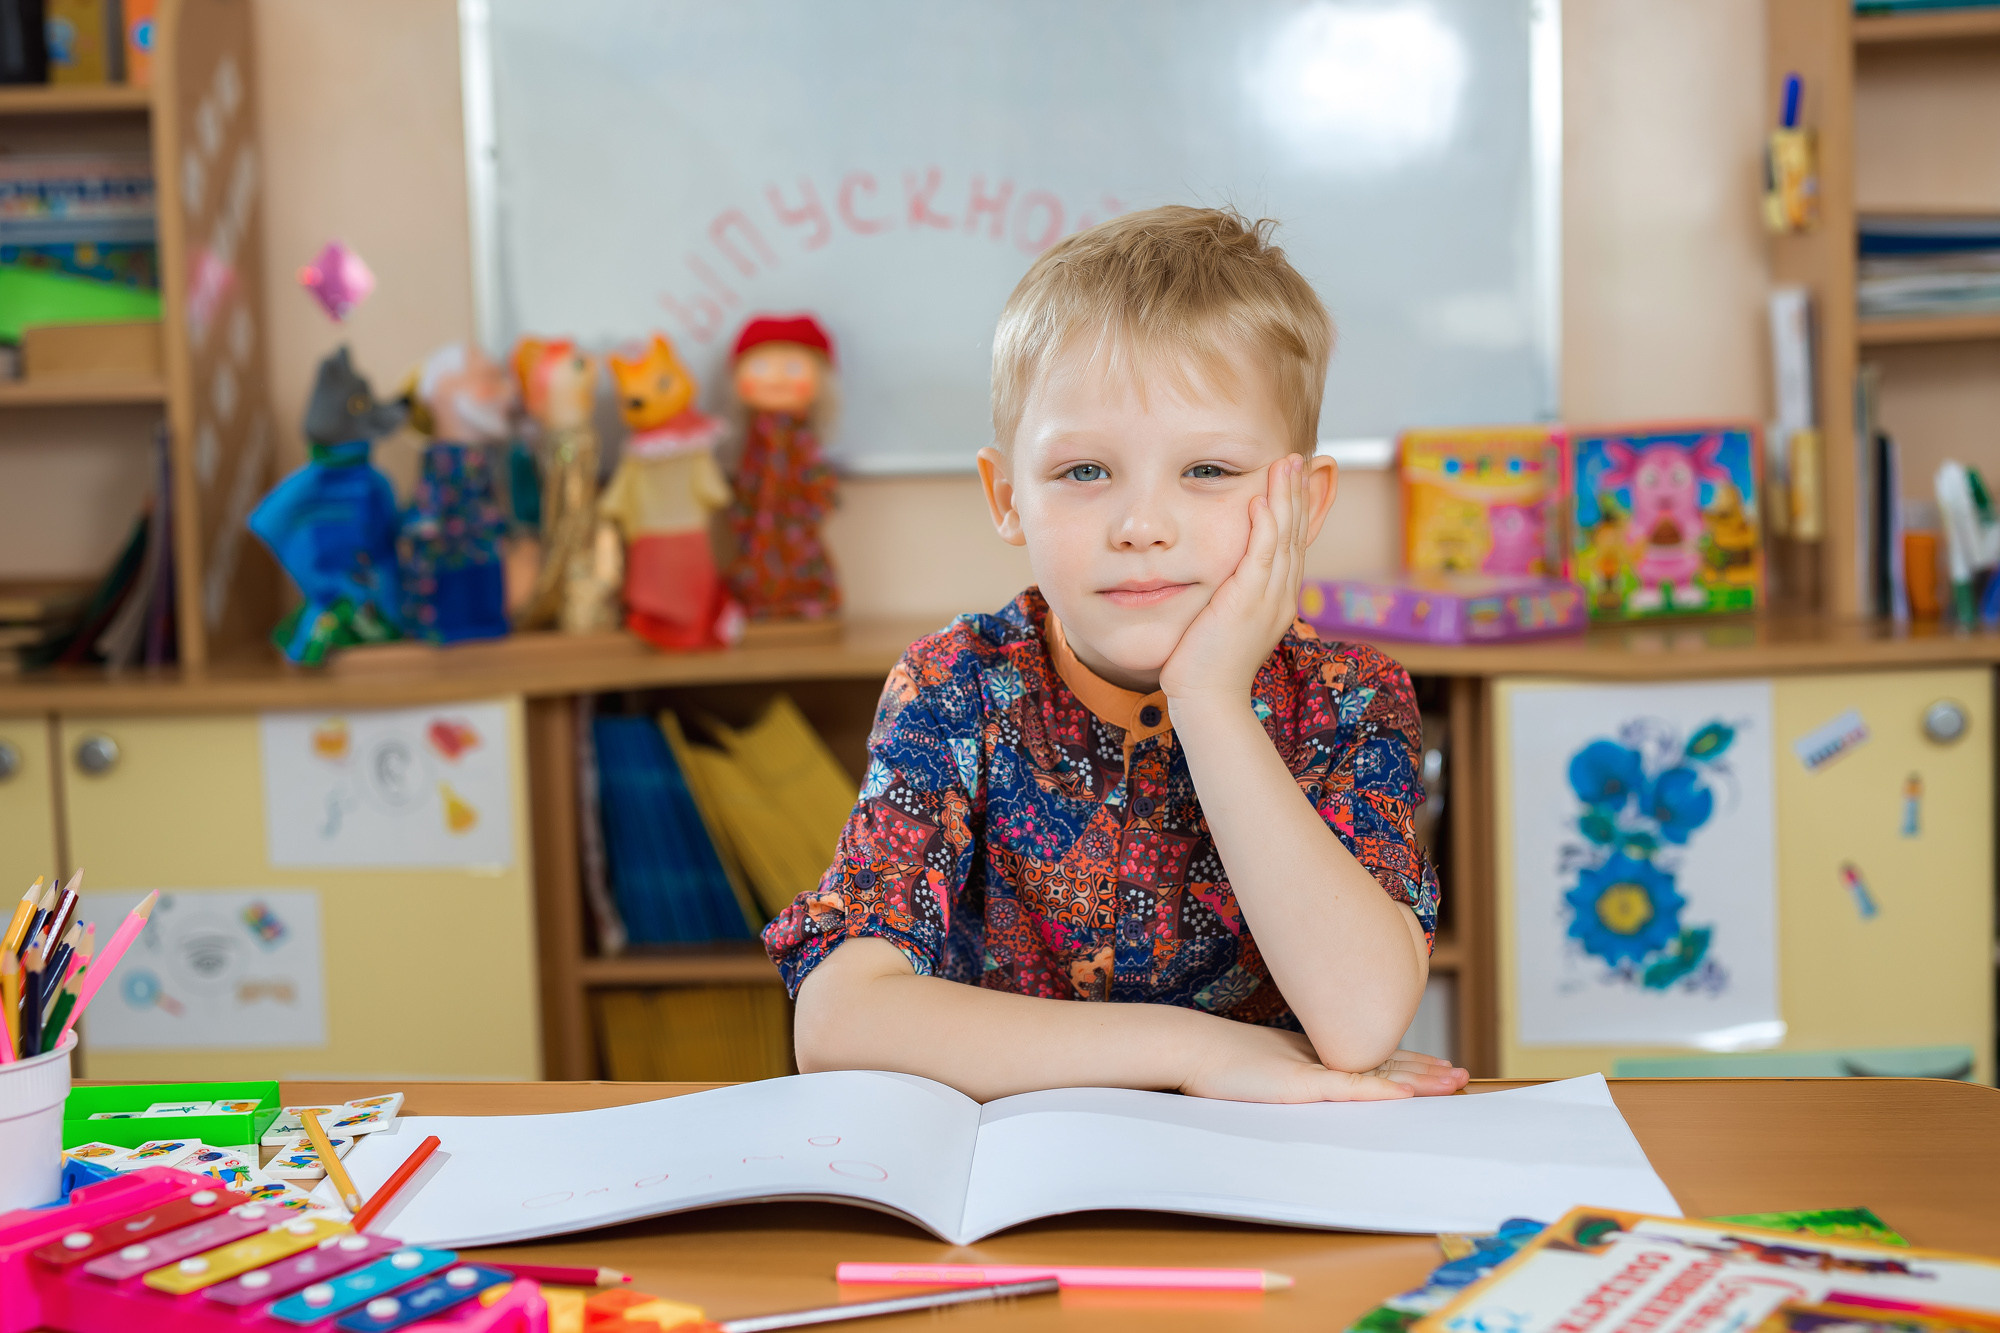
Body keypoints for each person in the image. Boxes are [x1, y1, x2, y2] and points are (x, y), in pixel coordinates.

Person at [762, 206, 1469, 1104]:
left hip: (1262, 1187)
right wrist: (1196, 1053)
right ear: (1007, 494)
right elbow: (835, 1023)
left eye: (1208, 470)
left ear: (1306, 500)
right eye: (1085, 472)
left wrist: (1210, 695)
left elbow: (1362, 1017)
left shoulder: (1353, 700)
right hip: (1016, 1203)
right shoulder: (958, 688)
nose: (1142, 527)